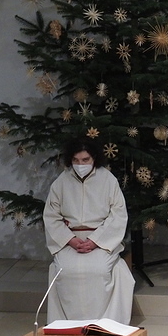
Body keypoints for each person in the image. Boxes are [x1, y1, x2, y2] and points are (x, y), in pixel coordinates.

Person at [43, 137, 135, 324]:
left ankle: (104, 323)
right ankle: (69, 324)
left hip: (101, 240)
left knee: (99, 270)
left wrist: (95, 241)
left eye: (85, 160)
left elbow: (118, 215)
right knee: (65, 270)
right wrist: (71, 240)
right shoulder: (61, 182)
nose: (80, 165)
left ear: (94, 158)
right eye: (76, 160)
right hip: (70, 240)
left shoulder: (108, 180)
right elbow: (51, 216)